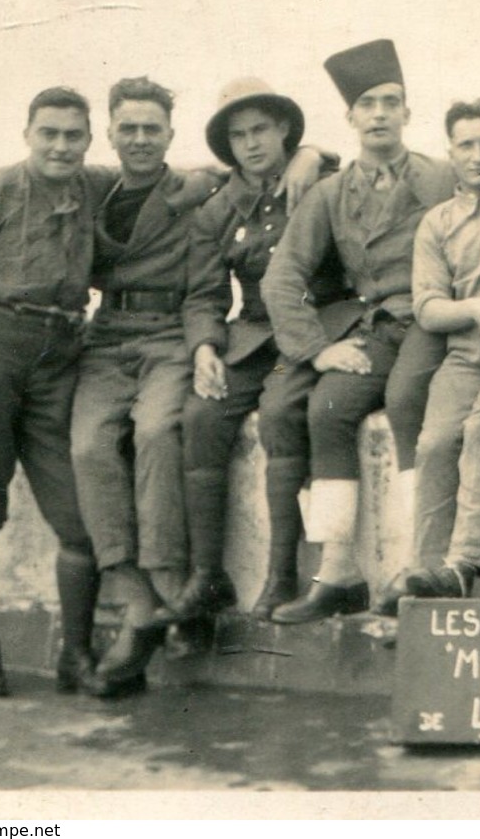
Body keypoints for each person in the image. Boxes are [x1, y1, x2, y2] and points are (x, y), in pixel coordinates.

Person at [261, 39, 458, 623]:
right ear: (349, 118)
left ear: (407, 112)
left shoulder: (443, 176)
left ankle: (418, 570)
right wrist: (317, 350)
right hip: (373, 329)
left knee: (405, 402)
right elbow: (281, 277)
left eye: (390, 102)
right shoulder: (328, 193)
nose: (378, 114)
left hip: (429, 319)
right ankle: (339, 575)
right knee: (327, 409)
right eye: (367, 104)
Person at [0, 87, 105, 696]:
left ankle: (76, 657)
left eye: (73, 135)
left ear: (89, 138)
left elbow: (186, 177)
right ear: (27, 132)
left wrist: (304, 156)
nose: (61, 146)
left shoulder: (96, 186)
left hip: (60, 357)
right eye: (49, 133)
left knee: (81, 522)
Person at [71, 76, 225, 696]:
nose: (139, 139)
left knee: (159, 430)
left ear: (169, 134)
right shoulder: (93, 192)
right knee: (87, 447)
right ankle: (140, 597)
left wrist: (204, 344)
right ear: (109, 132)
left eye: (151, 129)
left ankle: (165, 583)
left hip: (169, 335)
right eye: (128, 128)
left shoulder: (195, 193)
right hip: (106, 337)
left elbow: (207, 290)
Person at [177, 78, 348, 623]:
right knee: (202, 415)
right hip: (252, 331)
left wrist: (316, 154)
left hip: (318, 322)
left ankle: (281, 575)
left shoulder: (321, 179)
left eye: (261, 130)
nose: (251, 144)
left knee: (279, 415)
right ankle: (208, 576)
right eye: (238, 135)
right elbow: (204, 293)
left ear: (284, 132)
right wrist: (205, 346)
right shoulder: (217, 209)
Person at [372, 98, 480, 614]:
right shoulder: (439, 222)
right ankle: (424, 573)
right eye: (466, 144)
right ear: (451, 153)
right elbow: (427, 307)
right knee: (437, 441)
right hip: (467, 353)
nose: (478, 154)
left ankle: (470, 576)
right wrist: (473, 306)